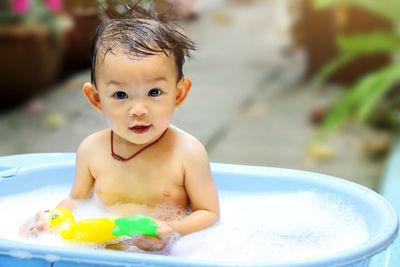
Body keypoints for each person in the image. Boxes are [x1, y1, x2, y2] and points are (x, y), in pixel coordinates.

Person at [20, 4, 220, 252]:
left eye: (154, 92)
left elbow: (209, 213)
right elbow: (77, 200)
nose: (138, 109)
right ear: (96, 99)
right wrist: (53, 218)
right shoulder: (92, 149)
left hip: (167, 253)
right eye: (121, 94)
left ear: (179, 93)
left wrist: (174, 231)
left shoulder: (187, 152)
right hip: (103, 251)